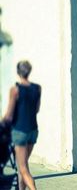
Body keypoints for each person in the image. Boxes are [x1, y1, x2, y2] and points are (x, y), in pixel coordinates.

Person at [2, 60, 41, 190]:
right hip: (33, 130)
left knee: (23, 168)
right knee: (23, 166)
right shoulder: (37, 88)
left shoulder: (15, 90)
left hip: (20, 131)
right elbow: (36, 109)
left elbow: (9, 115)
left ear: (18, 72)